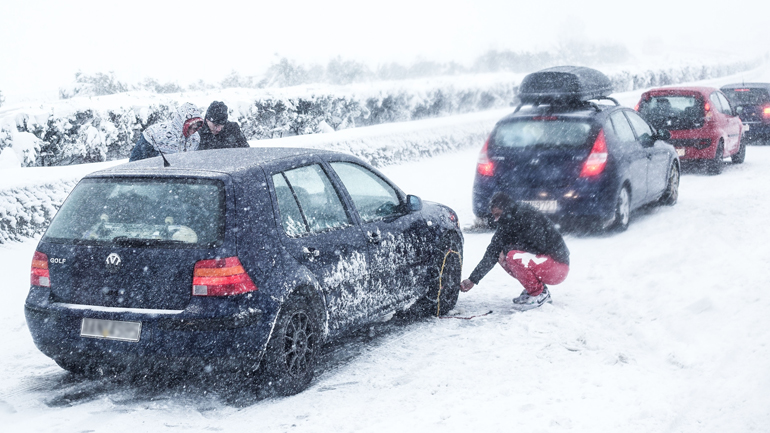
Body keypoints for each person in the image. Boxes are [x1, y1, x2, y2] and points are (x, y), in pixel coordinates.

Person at [460, 192, 570, 311]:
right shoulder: (506, 223)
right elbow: (492, 252)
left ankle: (539, 293)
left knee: (513, 256)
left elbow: (539, 246)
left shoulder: (527, 214)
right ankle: (534, 289)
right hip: (543, 264)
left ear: (507, 209)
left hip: (558, 266)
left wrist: (508, 249)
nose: (496, 219)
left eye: (498, 215)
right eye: (494, 216)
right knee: (501, 255)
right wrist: (472, 279)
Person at [129, 103, 202, 162]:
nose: (192, 131)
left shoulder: (195, 139)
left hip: (180, 178)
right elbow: (135, 164)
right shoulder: (154, 134)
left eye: (195, 128)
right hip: (155, 177)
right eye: (189, 127)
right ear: (181, 122)